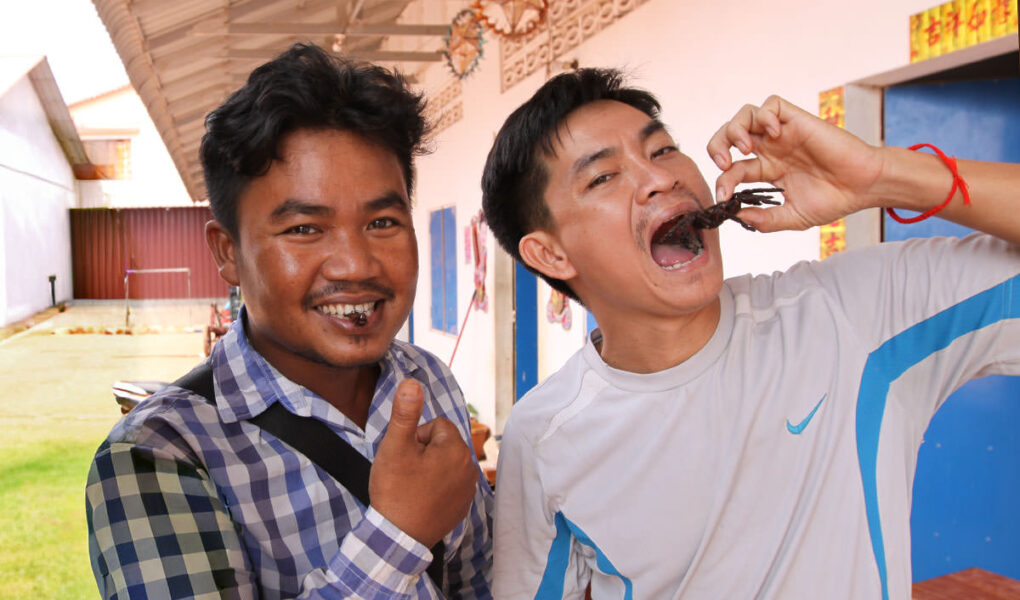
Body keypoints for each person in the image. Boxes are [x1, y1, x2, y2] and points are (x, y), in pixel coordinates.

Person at [481, 68, 1019, 599]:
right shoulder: (544, 435)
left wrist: (880, 176)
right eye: (602, 177)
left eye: (662, 150)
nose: (660, 178)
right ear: (550, 253)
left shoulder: (850, 315)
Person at [86, 43, 492, 599]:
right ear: (227, 252)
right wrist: (398, 534)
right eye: (304, 229)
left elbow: (480, 581)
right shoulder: (157, 457)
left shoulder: (426, 380)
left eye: (382, 221)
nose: (356, 265)